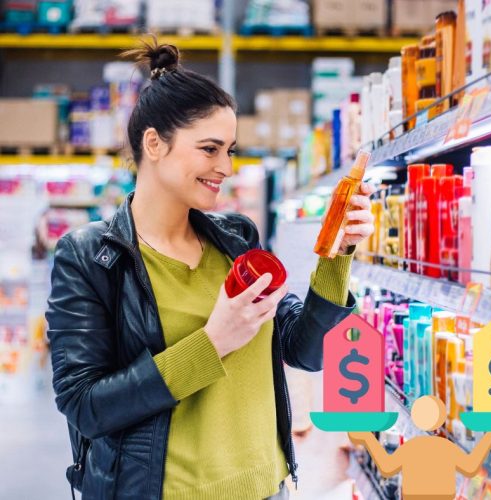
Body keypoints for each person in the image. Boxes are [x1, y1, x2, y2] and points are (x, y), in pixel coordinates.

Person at [46, 38, 375, 500]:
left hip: (268, 488)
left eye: (230, 151)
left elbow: (307, 351)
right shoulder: (91, 256)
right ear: (154, 144)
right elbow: (85, 406)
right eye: (209, 149)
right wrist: (212, 342)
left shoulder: (236, 238)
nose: (225, 167)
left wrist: (336, 256)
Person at [349, 395, 491, 500]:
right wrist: (489, 438)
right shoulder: (446, 447)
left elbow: (387, 467)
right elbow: (470, 466)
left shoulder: (411, 448)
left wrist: (367, 438)